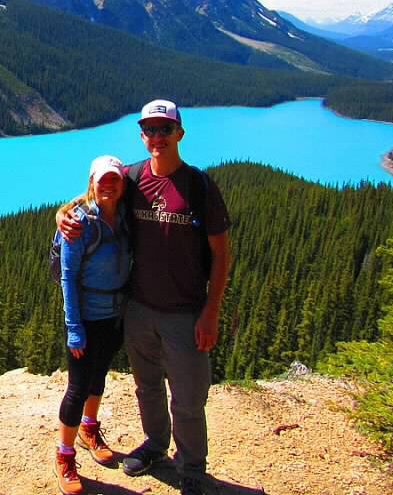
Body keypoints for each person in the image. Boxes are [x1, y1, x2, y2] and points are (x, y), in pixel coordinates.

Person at [57, 100, 231, 495]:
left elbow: (221, 254)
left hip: (185, 312)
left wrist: (211, 311)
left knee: (187, 398)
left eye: (164, 129)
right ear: (141, 134)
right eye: (149, 130)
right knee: (147, 387)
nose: (157, 137)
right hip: (136, 310)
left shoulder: (199, 186)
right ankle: (155, 445)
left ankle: (192, 467)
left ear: (179, 134)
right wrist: (63, 213)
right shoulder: (133, 177)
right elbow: (97, 192)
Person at [53, 155, 132, 495]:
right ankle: (64, 455)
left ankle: (89, 427)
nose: (109, 186)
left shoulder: (127, 214)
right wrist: (74, 327)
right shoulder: (79, 223)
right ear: (91, 183)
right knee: (77, 387)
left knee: (99, 375)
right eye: (103, 181)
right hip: (86, 316)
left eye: (115, 179)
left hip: (114, 316)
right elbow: (68, 278)